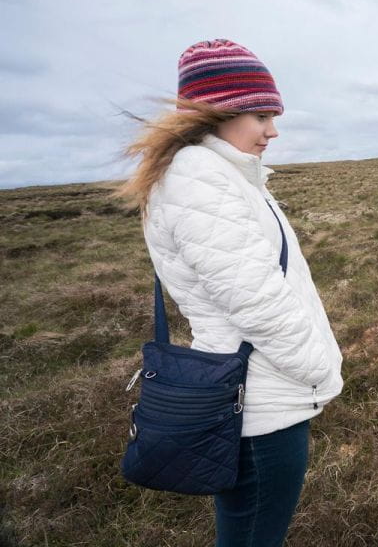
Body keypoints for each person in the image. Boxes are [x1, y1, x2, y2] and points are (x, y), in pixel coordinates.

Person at [112, 39, 343, 546]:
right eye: (260, 115)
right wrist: (320, 373)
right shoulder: (199, 178)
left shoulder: (224, 176)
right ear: (218, 113)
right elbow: (257, 301)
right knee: (253, 536)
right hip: (260, 399)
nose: (273, 130)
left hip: (257, 387)